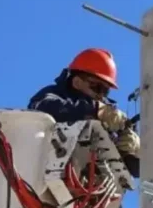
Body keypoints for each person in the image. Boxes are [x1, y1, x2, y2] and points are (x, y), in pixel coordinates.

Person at [28, 48, 140, 178]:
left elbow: (133, 171)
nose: (101, 95)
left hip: (91, 187)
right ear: (77, 82)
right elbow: (44, 109)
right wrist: (95, 110)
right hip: (47, 171)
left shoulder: (108, 120)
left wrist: (130, 148)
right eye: (97, 87)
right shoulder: (53, 95)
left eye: (105, 90)